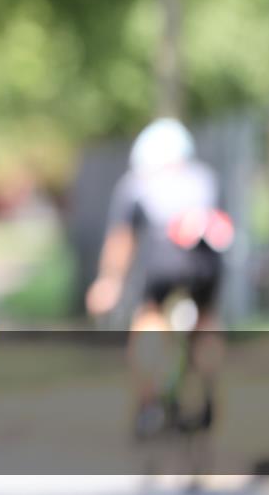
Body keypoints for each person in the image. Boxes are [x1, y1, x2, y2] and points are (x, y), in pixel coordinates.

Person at [86, 118, 228, 437]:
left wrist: (109, 281)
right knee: (206, 320)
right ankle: (207, 389)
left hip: (164, 260)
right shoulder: (206, 178)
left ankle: (149, 404)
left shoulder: (136, 183)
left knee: (149, 319)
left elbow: (122, 238)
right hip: (206, 261)